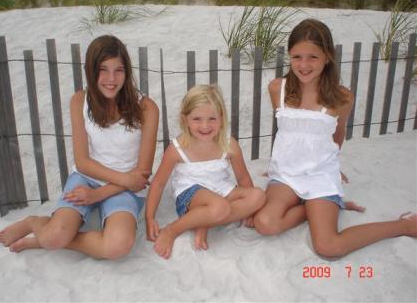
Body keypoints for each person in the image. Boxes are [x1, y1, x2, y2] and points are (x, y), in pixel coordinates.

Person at [248, 19, 417, 258]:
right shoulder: (278, 88)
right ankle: (315, 208)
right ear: (289, 56)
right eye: (297, 57)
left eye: (313, 57)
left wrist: (331, 167)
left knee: (328, 247)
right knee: (265, 223)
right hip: (285, 175)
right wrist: (279, 164)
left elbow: (337, 136)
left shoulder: (341, 97)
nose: (304, 65)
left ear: (327, 56)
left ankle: (404, 225)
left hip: (319, 176)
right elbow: (288, 132)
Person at [0, 35, 159, 259]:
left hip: (125, 188)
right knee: (54, 236)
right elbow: (82, 161)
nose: (111, 79)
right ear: (91, 71)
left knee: (118, 246)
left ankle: (41, 240)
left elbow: (142, 173)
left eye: (118, 70)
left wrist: (100, 194)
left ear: (127, 72)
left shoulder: (147, 107)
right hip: (89, 177)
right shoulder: (79, 101)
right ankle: (35, 223)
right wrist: (110, 184)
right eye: (103, 69)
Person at [145, 84, 265, 259]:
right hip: (191, 194)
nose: (205, 125)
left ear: (222, 118)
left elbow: (243, 177)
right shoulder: (177, 148)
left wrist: (250, 210)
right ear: (184, 119)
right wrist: (149, 218)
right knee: (220, 207)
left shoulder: (229, 144)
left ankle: (205, 223)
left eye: (212, 119)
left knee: (258, 196)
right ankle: (173, 229)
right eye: (197, 119)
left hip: (222, 190)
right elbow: (158, 183)